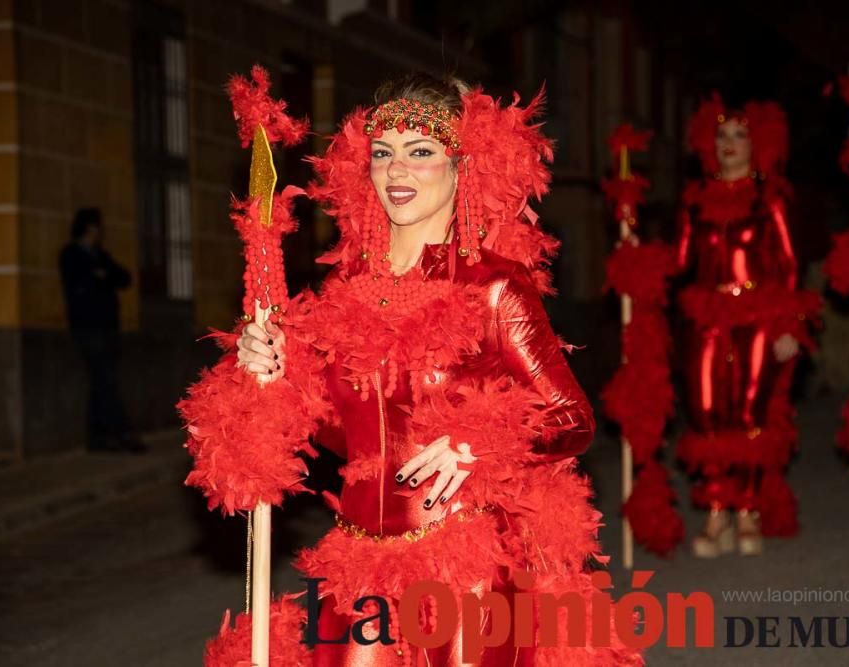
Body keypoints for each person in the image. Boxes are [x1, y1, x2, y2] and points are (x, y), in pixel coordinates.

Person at [181, 74, 642, 665]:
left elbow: (571, 418)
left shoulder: (495, 286)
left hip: (468, 563)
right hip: (359, 560)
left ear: (459, 167)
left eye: (420, 152)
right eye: (382, 153)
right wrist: (270, 374)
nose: (397, 171)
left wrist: (478, 446)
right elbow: (337, 435)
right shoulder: (341, 290)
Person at [673, 94, 817, 558]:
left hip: (759, 315)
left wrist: (790, 325)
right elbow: (679, 265)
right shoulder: (694, 200)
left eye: (740, 135)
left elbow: (792, 265)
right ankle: (717, 510)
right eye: (722, 134)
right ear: (706, 141)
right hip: (706, 318)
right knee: (706, 410)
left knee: (751, 411)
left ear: (760, 144)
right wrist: (631, 243)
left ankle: (748, 510)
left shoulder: (768, 198)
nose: (729, 143)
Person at [59, 208, 142, 454]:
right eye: (94, 228)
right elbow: (79, 285)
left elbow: (124, 278)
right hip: (87, 328)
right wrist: (100, 278)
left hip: (107, 328)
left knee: (101, 382)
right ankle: (122, 433)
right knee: (105, 380)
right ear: (86, 228)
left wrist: (102, 276)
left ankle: (98, 438)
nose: (98, 232)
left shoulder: (100, 255)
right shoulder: (72, 254)